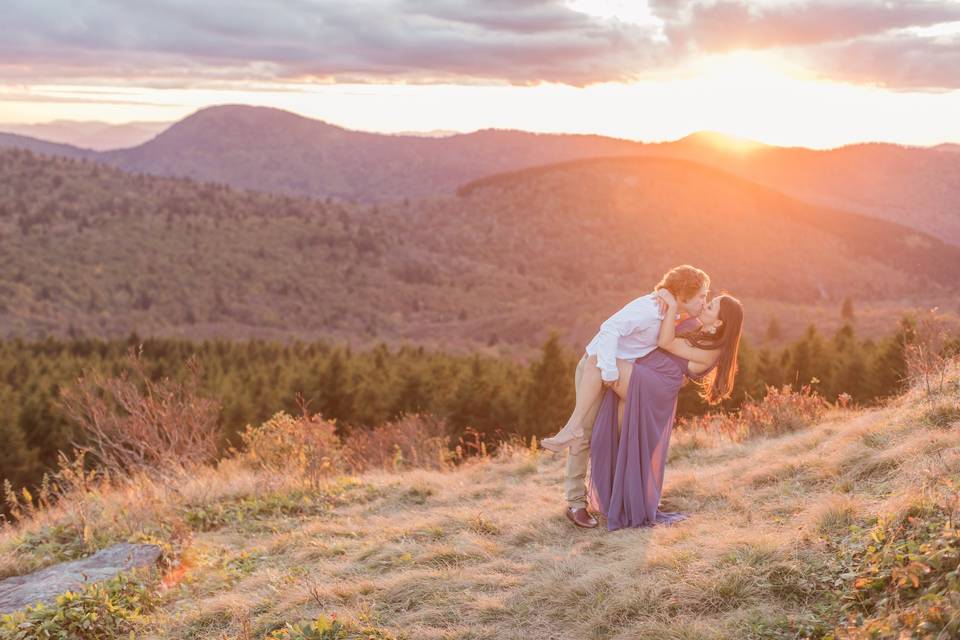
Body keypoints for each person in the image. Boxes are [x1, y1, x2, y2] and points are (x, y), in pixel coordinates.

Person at [540, 265, 711, 529]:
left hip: (623, 374)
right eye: (701, 295)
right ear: (684, 295)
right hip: (596, 369)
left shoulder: (674, 314)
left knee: (619, 435)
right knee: (584, 436)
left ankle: (625, 497)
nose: (704, 301)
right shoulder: (649, 309)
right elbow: (608, 330)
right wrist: (608, 371)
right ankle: (575, 503)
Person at [588, 290, 744, 531]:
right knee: (618, 439)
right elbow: (672, 317)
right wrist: (666, 296)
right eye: (708, 301)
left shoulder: (711, 349)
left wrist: (671, 305)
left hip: (654, 387)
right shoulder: (697, 327)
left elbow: (665, 342)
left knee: (601, 358)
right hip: (646, 375)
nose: (705, 306)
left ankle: (574, 425)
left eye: (710, 307)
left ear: (720, 323)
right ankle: (616, 503)